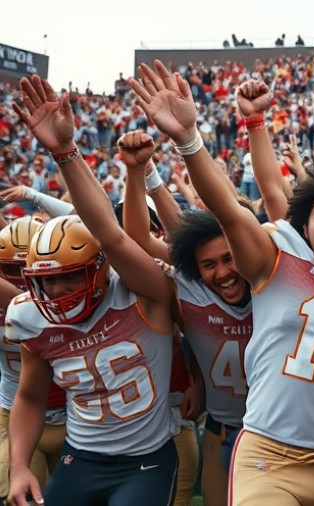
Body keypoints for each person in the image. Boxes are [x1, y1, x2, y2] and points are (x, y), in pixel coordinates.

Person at [130, 63, 314, 505]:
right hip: (267, 454)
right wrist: (189, 139)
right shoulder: (281, 259)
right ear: (305, 226)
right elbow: (229, 209)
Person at [8, 75, 179, 506]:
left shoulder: (141, 294)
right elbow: (29, 395)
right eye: (47, 280)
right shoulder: (28, 315)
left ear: (101, 270)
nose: (59, 289)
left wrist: (65, 153)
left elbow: (114, 235)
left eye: (70, 275)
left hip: (145, 461)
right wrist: (19, 466)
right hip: (78, 458)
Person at [118, 130, 252, 506]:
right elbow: (137, 241)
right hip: (220, 428)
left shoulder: (267, 282)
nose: (224, 272)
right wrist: (138, 173)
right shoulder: (188, 286)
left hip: (274, 433)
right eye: (210, 264)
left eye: (230, 259)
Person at [0, 218, 67, 502]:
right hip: (15, 413)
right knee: (22, 499)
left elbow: (32, 311)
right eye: (9, 269)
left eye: (24, 267)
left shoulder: (67, 296)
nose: (19, 276)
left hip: (75, 417)